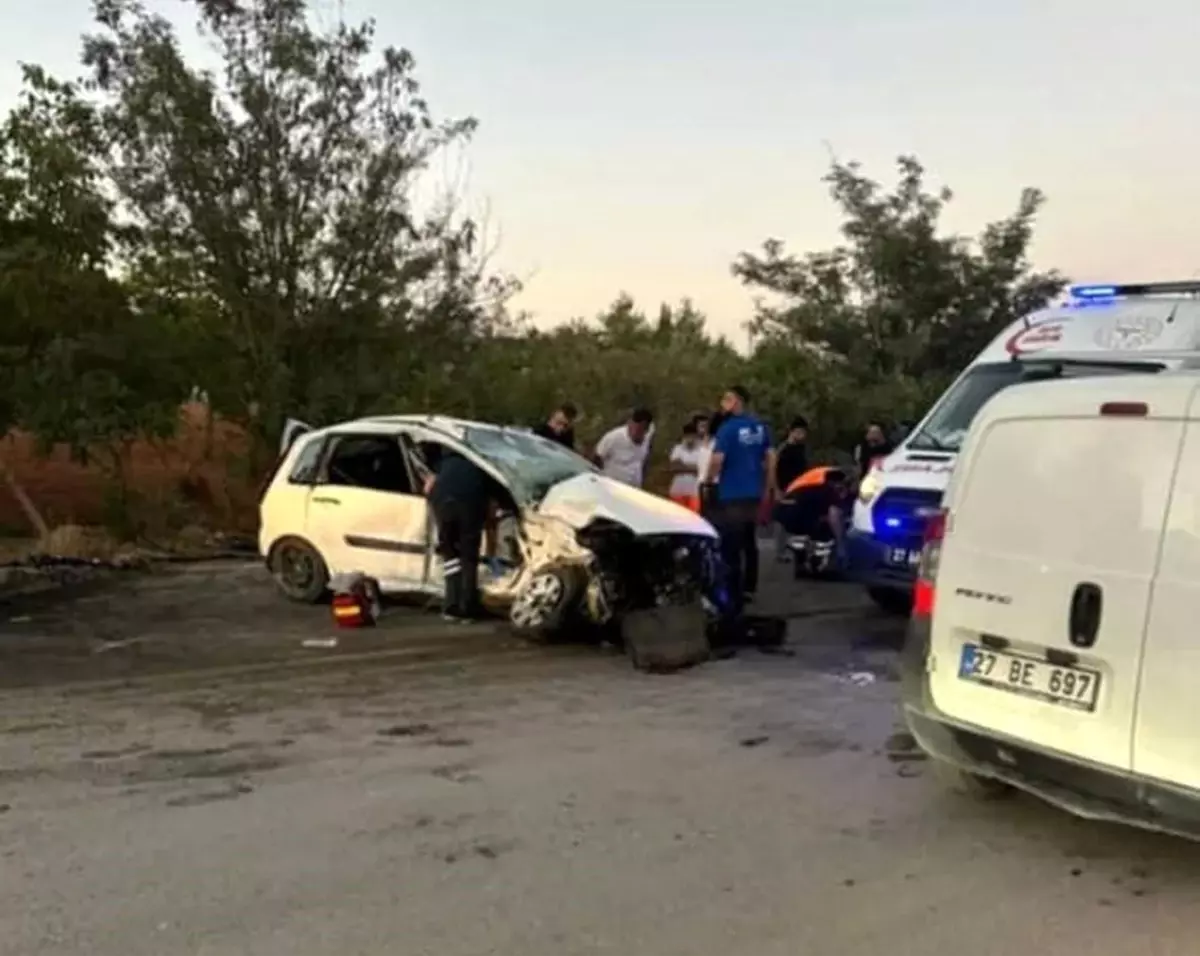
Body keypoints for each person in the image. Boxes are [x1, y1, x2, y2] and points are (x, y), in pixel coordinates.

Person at [706, 386, 776, 610]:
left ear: (738, 402)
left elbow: (717, 460)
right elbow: (771, 457)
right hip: (753, 493)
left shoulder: (727, 429)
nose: (722, 403)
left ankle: (733, 594)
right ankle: (750, 587)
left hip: (731, 494)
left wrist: (708, 481)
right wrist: (769, 485)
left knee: (731, 546)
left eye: (727, 399)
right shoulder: (759, 427)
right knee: (749, 540)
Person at [424, 448, 503, 623]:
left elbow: (428, 487)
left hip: (444, 507)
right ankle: (467, 608)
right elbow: (494, 500)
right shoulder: (482, 464)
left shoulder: (442, 464)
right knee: (468, 558)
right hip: (469, 507)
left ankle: (451, 606)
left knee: (451, 556)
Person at [776, 466, 850, 569]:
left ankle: (799, 559)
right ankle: (817, 560)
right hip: (805, 524)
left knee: (801, 539)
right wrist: (841, 544)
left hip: (788, 518)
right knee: (823, 536)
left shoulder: (805, 486)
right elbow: (834, 515)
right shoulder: (828, 492)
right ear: (835, 482)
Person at [772, 417, 810, 561]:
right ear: (792, 432)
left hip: (798, 488)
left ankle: (794, 548)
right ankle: (779, 551)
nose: (802, 436)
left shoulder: (801, 449)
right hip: (785, 488)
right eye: (799, 432)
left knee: (794, 520)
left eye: (804, 432)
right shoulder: (784, 449)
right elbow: (774, 469)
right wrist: (776, 489)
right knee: (782, 521)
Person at [593, 407, 655, 486]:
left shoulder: (648, 436)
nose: (635, 433)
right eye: (634, 428)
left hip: (633, 488)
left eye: (640, 430)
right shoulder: (614, 437)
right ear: (629, 423)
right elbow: (598, 456)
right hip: (611, 485)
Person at [666, 420, 704, 512]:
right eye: (687, 435)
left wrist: (683, 466)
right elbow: (674, 467)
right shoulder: (678, 448)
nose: (690, 438)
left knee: (693, 518)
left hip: (695, 492)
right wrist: (692, 467)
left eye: (692, 435)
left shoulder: (702, 450)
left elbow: (701, 469)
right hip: (677, 490)